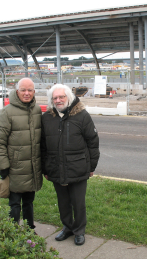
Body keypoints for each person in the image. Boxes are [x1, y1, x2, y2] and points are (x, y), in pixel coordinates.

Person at [41, 84, 100, 246]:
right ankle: (67, 227)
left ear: (69, 97)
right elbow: (43, 146)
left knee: (78, 202)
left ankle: (79, 231)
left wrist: (91, 167)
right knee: (63, 201)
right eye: (55, 98)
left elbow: (93, 143)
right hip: (56, 168)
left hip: (78, 167)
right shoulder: (47, 118)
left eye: (62, 97)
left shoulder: (82, 116)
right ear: (51, 100)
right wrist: (45, 168)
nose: (58, 100)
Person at [0, 78, 42, 231]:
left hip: (32, 167)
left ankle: (28, 231)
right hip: (15, 169)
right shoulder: (7, 113)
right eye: (23, 90)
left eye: (30, 90)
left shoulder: (37, 110)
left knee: (28, 202)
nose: (26, 93)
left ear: (34, 92)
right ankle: (13, 233)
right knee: (14, 204)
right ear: (17, 91)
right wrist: (3, 167)